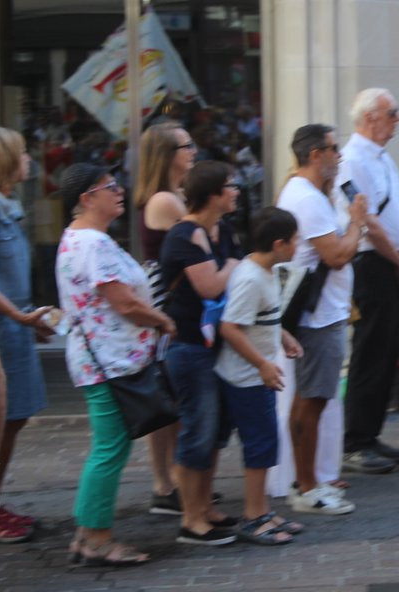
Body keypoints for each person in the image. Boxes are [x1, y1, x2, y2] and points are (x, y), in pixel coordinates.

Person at [56, 163, 176, 565]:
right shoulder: (92, 244)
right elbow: (123, 302)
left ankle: (88, 532)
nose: (119, 190)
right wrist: (162, 320)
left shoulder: (85, 239)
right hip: (106, 362)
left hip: (107, 360)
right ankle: (97, 539)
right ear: (87, 199)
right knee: (109, 450)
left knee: (111, 447)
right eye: (109, 187)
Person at [277, 124, 366, 514]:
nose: (339, 155)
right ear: (315, 155)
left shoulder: (310, 193)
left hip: (322, 313)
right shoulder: (307, 198)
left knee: (311, 399)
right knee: (311, 401)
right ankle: (308, 486)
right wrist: (358, 221)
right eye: (333, 148)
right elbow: (337, 256)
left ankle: (308, 480)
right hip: (317, 317)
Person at [159, 161, 242, 545]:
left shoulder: (221, 230)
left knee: (216, 432)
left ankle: (205, 505)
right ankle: (191, 519)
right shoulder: (183, 234)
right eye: (230, 186)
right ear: (212, 195)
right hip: (189, 348)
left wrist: (229, 266)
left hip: (217, 345)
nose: (237, 190)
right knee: (197, 430)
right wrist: (235, 266)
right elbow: (210, 287)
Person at [338, 89, 399, 474]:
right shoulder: (352, 160)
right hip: (372, 265)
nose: (397, 120)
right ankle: (356, 440)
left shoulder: (381, 157)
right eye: (393, 113)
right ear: (371, 118)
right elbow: (368, 224)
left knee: (386, 352)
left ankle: (370, 434)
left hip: (392, 263)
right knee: (370, 351)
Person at [217, 206, 306, 545]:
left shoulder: (264, 272)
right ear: (280, 243)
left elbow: (261, 317)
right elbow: (231, 327)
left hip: (256, 375)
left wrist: (283, 337)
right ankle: (253, 516)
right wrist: (263, 365)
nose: (298, 245)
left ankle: (262, 510)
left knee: (266, 443)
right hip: (247, 379)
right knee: (260, 444)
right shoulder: (251, 277)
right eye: (295, 240)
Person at [133, 120, 197, 516]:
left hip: (170, 297)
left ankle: (173, 479)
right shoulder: (164, 200)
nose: (193, 151)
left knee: (171, 397)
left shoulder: (173, 195)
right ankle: (166, 482)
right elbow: (198, 242)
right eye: (185, 146)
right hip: (166, 301)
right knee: (167, 396)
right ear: (167, 156)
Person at [0, 128, 54, 542]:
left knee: (14, 418)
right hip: (5, 328)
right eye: (22, 154)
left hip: (15, 328)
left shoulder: (11, 209)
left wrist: (27, 318)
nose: (30, 160)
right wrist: (19, 315)